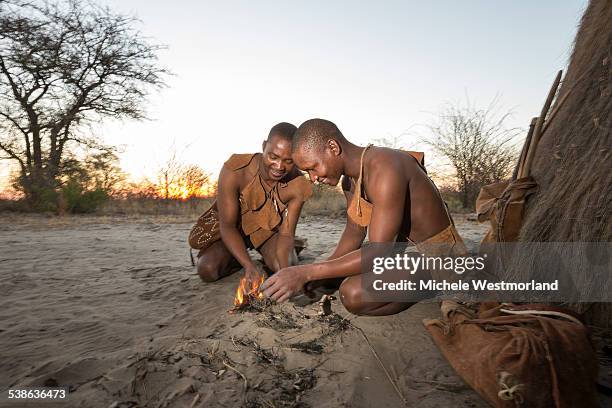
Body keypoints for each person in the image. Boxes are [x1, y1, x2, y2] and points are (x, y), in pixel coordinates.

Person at [261, 118, 467, 315]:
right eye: (307, 173)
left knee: (353, 294)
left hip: (441, 257)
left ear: (333, 148)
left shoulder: (385, 166)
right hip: (405, 256)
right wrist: (317, 279)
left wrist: (306, 272)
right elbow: (353, 234)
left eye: (313, 168)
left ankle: (437, 286)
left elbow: (379, 252)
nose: (313, 178)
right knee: (334, 280)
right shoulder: (350, 182)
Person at [188, 122, 312, 284]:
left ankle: (285, 253)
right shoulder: (235, 169)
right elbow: (228, 227)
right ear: (264, 146)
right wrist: (249, 266)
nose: (279, 166)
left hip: (265, 232)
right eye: (273, 157)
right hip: (231, 229)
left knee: (286, 266)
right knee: (208, 270)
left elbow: (286, 234)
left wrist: (285, 273)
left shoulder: (298, 185)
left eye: (288, 161)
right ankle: (237, 257)